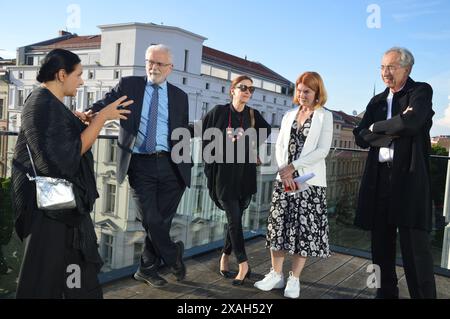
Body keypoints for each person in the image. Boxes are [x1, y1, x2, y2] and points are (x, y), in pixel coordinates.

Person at [11, 48, 132, 298]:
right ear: (62, 74)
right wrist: (101, 120)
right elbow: (63, 160)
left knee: (69, 278)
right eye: (78, 74)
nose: (82, 80)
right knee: (43, 280)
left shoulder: (50, 103)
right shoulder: (40, 104)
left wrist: (82, 120)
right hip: (48, 212)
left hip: (62, 210)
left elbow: (63, 139)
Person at [88, 44, 191, 288]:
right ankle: (173, 255)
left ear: (170, 68)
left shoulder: (180, 96)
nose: (153, 67)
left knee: (162, 222)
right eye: (149, 62)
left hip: (173, 165)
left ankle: (146, 269)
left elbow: (182, 131)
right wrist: (89, 111)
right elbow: (105, 102)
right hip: (140, 164)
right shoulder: (129, 85)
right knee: (151, 219)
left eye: (159, 64)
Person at [353, 47, 436, 299]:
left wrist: (376, 127)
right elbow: (359, 136)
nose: (385, 73)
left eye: (391, 67)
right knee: (380, 246)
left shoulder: (420, 91)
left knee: (415, 250)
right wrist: (391, 131)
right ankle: (385, 293)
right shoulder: (377, 100)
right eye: (382, 67)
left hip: (408, 179)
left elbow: (410, 122)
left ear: (407, 69)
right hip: (378, 179)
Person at [254, 72, 333, 298]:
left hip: (309, 183)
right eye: (299, 90)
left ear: (317, 92)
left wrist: (294, 167)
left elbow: (322, 150)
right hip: (285, 181)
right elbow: (280, 146)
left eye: (306, 91)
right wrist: (283, 169)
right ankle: (276, 275)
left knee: (304, 231)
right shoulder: (289, 115)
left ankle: (294, 279)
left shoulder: (324, 117)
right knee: (278, 227)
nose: (301, 95)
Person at [202, 75, 271, 286]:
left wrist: (251, 146)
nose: (248, 92)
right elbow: (203, 133)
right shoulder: (218, 112)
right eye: (243, 88)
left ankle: (224, 255)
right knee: (234, 218)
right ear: (232, 90)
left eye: (251, 89)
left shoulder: (252, 114)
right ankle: (243, 263)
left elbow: (266, 130)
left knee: (236, 220)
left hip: (245, 174)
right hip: (223, 175)